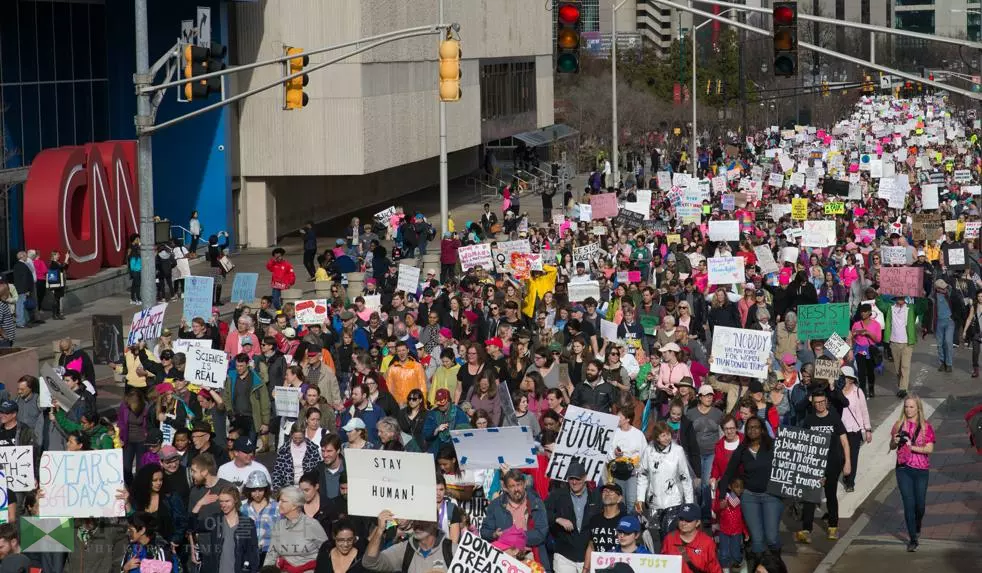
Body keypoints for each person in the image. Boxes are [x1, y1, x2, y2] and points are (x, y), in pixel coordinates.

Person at [719, 417, 782, 562]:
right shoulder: (742, 449)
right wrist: (722, 496)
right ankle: (759, 567)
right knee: (757, 540)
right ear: (745, 431)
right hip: (749, 497)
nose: (753, 430)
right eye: (749, 428)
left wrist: (814, 479)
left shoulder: (773, 445)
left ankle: (776, 565)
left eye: (756, 427)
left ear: (762, 429)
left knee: (772, 538)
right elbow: (728, 473)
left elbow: (792, 464)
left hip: (771, 495)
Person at [636, 421, 695, 545]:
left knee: (669, 535)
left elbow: (685, 477)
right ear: (657, 437)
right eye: (663, 435)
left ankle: (671, 559)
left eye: (668, 434)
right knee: (654, 537)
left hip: (673, 501)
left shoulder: (678, 451)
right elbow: (643, 475)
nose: (667, 438)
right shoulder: (648, 451)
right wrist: (640, 498)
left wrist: (689, 503)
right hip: (654, 502)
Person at [890, 394, 935, 552]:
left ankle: (917, 523)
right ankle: (913, 539)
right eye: (906, 406)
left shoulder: (926, 427)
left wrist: (911, 446)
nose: (908, 410)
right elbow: (891, 447)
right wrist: (894, 442)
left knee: (920, 506)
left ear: (918, 408)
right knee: (909, 504)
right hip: (903, 469)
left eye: (911, 407)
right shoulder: (898, 425)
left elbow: (930, 449)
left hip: (921, 470)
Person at [482, 469, 549, 569]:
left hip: (529, 555)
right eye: (512, 486)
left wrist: (516, 537)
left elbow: (542, 532)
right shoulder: (496, 505)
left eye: (519, 485)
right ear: (505, 487)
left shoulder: (536, 503)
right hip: (504, 556)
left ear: (525, 484)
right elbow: (484, 531)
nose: (516, 489)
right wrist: (494, 534)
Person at [264, 486, 328, 570]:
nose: (278, 504)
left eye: (283, 501)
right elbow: (271, 555)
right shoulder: (278, 526)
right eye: (279, 501)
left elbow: (327, 551)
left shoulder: (312, 525)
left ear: (294, 505)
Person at [660, 503, 723, 573]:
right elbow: (662, 566)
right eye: (681, 519)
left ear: (697, 522)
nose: (683, 523)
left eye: (688, 520)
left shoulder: (707, 543)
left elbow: (715, 569)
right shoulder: (669, 539)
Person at [840, 366, 872, 493]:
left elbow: (864, 411)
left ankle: (850, 481)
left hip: (854, 431)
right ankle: (845, 474)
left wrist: (868, 429)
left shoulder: (858, 392)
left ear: (851, 380)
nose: (843, 380)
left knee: (853, 457)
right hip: (840, 431)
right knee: (842, 456)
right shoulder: (836, 392)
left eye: (845, 378)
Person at [583, 483, 627, 564]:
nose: (607, 493)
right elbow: (591, 546)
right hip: (598, 567)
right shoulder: (594, 519)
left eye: (611, 491)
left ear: (619, 498)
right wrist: (585, 568)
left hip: (619, 566)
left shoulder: (626, 520)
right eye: (605, 491)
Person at [713, 477, 750, 573]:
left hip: (736, 532)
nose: (739, 489)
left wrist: (745, 532)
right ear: (730, 486)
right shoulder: (724, 497)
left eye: (741, 487)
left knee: (735, 553)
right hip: (724, 531)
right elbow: (715, 510)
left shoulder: (739, 501)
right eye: (737, 487)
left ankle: (739, 562)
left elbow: (741, 519)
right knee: (724, 553)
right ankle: (725, 568)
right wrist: (720, 507)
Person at [271, 421, 321, 490]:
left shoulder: (312, 449)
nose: (297, 441)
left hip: (308, 488)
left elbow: (318, 471)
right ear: (291, 435)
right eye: (295, 438)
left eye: (300, 438)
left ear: (304, 435)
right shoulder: (284, 450)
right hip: (288, 488)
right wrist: (277, 488)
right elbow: (277, 471)